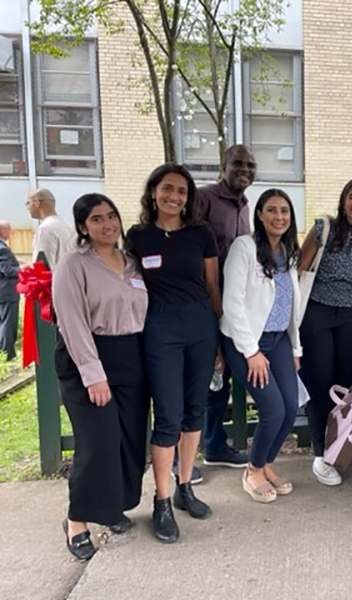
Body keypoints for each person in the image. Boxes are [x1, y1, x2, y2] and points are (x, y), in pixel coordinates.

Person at [52, 194, 150, 560]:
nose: (107, 224)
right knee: (98, 442)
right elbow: (72, 322)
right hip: (87, 360)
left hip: (131, 358)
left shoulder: (131, 263)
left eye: (111, 216)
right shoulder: (73, 265)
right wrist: (94, 375)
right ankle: (77, 520)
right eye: (96, 219)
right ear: (82, 227)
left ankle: (111, 508)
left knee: (129, 440)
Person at [126, 164, 221, 543]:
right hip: (159, 325)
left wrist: (217, 338)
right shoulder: (138, 236)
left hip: (200, 321)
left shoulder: (202, 234)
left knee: (195, 409)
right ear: (153, 192)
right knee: (168, 414)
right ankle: (161, 500)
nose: (174, 197)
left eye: (182, 191)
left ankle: (185, 487)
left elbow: (212, 285)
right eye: (167, 189)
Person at [297, 178, 352, 486]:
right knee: (321, 381)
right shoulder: (325, 229)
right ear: (343, 200)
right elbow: (300, 270)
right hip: (318, 312)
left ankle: (342, 443)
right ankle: (321, 451)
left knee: (347, 383)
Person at [220, 189, 302, 504]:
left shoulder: (288, 251)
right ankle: (252, 470)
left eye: (284, 211)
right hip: (246, 342)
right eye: (272, 210)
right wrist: (251, 352)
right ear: (259, 214)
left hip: (279, 339)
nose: (278, 216)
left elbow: (291, 304)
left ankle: (266, 464)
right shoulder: (245, 247)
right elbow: (233, 303)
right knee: (272, 409)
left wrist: (296, 349)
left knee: (291, 408)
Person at [197, 145, 257, 471]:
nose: (244, 169)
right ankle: (184, 457)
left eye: (250, 165)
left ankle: (215, 446)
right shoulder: (204, 198)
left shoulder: (246, 207)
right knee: (204, 378)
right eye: (238, 163)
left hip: (234, 306)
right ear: (224, 165)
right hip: (204, 303)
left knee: (223, 375)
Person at [25, 188, 76, 270]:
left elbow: (43, 267)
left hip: (56, 281)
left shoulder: (45, 229)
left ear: (37, 203)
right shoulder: (68, 225)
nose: (27, 207)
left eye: (28, 203)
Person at [0, 221, 19, 360]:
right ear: (3, 232)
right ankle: (8, 353)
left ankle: (3, 351)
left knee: (3, 321)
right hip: (7, 291)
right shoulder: (3, 249)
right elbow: (8, 270)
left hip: (2, 291)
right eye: (9, 230)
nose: (10, 233)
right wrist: (23, 269)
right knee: (8, 322)